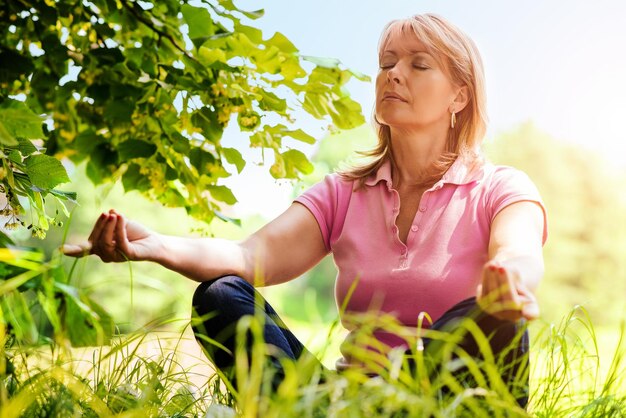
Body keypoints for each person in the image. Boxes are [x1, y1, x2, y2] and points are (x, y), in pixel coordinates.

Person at [63, 13, 546, 408]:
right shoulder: (343, 192)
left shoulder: (500, 187)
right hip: (345, 400)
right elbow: (252, 256)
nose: (393, 74)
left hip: (439, 398)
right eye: (387, 62)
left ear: (459, 95)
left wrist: (511, 276)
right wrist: (153, 246)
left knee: (495, 317)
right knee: (222, 295)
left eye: (419, 65)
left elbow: (519, 249)